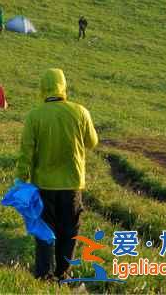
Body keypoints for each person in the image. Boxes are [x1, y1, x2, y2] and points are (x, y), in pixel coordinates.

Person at [16, 69, 98, 281]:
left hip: (43, 184)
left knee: (44, 230)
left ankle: (44, 274)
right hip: (72, 183)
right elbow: (92, 142)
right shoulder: (80, 112)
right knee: (69, 230)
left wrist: (21, 177)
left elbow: (26, 150)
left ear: (43, 88)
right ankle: (63, 272)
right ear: (63, 86)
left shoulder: (35, 115)